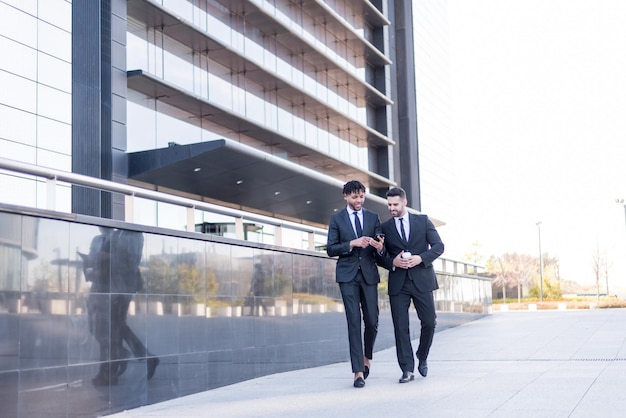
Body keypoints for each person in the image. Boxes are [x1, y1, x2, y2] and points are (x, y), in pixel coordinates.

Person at [379, 187, 444, 383]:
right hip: (398, 283)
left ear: (404, 202)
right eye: (389, 204)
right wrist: (392, 262)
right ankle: (407, 369)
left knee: (429, 323)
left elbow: (439, 247)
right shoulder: (385, 227)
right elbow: (379, 256)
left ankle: (422, 356)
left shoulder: (423, 221)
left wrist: (420, 258)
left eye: (395, 204)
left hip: (422, 280)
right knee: (401, 327)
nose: (391, 208)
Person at [326, 180, 384, 388]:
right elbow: (331, 248)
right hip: (347, 275)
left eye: (361, 197)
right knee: (353, 321)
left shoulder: (373, 217)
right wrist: (352, 243)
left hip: (368, 274)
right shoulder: (337, 219)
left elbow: (381, 246)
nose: (358, 201)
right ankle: (358, 372)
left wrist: (379, 246)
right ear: (345, 197)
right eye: (354, 197)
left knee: (372, 321)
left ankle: (367, 356)